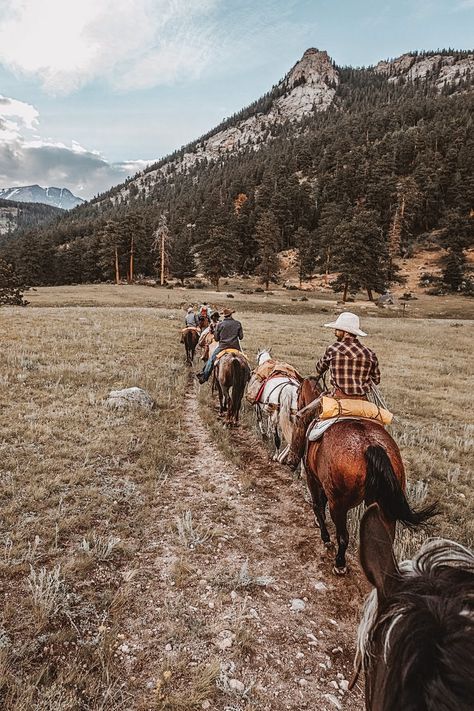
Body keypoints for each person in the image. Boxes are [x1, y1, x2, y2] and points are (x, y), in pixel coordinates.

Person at [286, 312, 380, 468]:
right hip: (363, 403)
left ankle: (294, 458)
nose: (335, 332)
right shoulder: (370, 353)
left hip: (337, 400)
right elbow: (376, 379)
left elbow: (318, 370)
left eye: (337, 329)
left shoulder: (333, 349)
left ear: (344, 332)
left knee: (301, 415)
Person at [196, 308, 243, 383]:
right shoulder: (238, 323)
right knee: (244, 360)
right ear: (231, 314)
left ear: (224, 316)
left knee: (211, 360)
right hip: (235, 346)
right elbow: (241, 337)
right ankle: (248, 376)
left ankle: (204, 376)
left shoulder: (220, 325)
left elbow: (217, 339)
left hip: (222, 347)